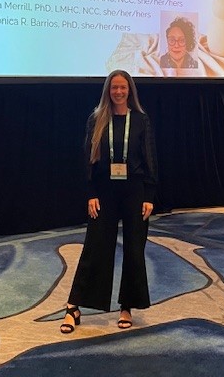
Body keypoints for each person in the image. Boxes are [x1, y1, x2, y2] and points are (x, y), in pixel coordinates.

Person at [60, 70, 158, 333]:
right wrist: (90, 193)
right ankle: (73, 307)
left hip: (135, 191)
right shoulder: (97, 119)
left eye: (123, 87)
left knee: (134, 250)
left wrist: (149, 195)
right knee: (95, 247)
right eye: (114, 87)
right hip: (104, 192)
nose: (118, 92)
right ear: (108, 91)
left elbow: (150, 159)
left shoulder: (141, 120)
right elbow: (88, 160)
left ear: (130, 90)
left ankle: (127, 306)